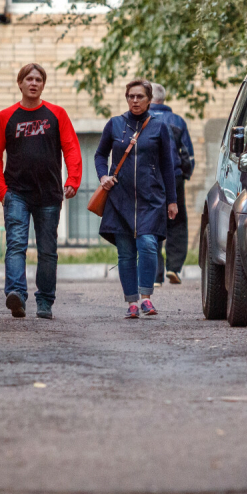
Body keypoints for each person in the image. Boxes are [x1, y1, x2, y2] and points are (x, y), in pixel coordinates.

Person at [0, 62, 82, 320]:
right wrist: (2, 191)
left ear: (43, 84)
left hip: (49, 193)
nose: (33, 83)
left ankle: (45, 301)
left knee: (47, 249)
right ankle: (16, 295)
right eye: (28, 78)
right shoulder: (5, 117)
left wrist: (73, 178)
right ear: (20, 83)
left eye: (38, 79)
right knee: (16, 244)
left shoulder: (57, 114)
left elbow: (72, 148)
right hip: (16, 193)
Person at [95, 79, 179, 318]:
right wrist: (103, 176)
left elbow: (167, 166)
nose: (135, 100)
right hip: (119, 199)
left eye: (140, 96)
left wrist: (171, 201)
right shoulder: (114, 124)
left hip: (150, 199)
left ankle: (146, 298)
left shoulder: (159, 127)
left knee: (148, 245)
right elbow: (100, 155)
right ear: (126, 98)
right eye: (131, 96)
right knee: (126, 253)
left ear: (149, 100)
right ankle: (131, 302)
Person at [149, 82, 195, 285]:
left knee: (151, 223)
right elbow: (188, 155)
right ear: (163, 99)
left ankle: (155, 274)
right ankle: (173, 268)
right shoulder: (177, 121)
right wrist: (185, 174)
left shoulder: (142, 119)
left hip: (149, 179)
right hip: (174, 178)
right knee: (177, 222)